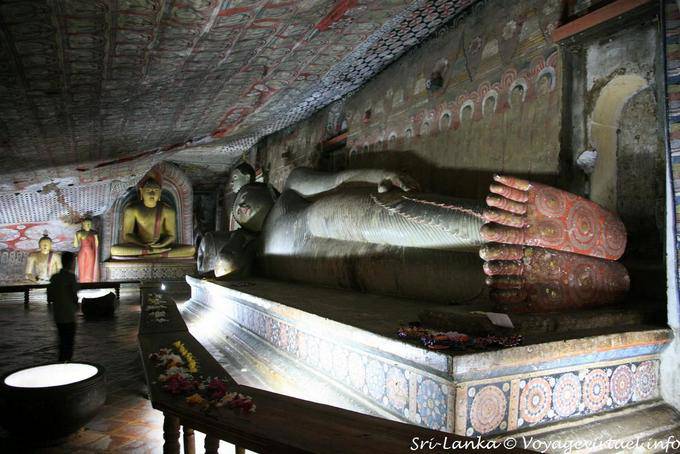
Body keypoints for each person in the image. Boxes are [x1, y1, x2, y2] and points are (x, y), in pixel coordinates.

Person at [47, 251, 79, 362]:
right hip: (69, 314)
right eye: (74, 262)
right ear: (71, 263)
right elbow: (74, 295)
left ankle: (61, 361)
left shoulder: (54, 278)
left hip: (58, 314)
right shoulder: (71, 277)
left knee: (61, 340)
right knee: (69, 342)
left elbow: (50, 297)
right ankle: (67, 363)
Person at [73, 218, 99, 282]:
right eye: (86, 223)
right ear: (83, 224)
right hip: (82, 251)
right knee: (82, 267)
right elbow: (75, 245)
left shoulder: (94, 232)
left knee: (90, 267)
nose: (88, 225)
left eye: (89, 224)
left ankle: (89, 282)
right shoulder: (79, 232)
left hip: (91, 252)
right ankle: (82, 282)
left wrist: (96, 237)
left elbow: (96, 245)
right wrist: (75, 236)